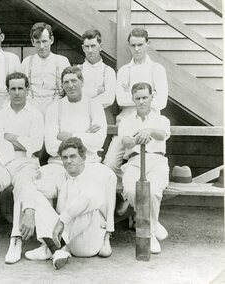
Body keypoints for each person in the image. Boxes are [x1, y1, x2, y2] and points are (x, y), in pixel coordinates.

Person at [30, 66, 116, 257]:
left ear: (82, 82)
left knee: (108, 176)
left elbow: (98, 141)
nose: (70, 85)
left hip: (89, 163)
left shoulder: (94, 106)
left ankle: (106, 235)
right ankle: (47, 242)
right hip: (58, 163)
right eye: (66, 82)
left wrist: (67, 135)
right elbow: (52, 146)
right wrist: (85, 135)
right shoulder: (55, 108)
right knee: (37, 181)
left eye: (74, 81)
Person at [0, 72, 44, 264]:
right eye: (13, 89)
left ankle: (16, 240)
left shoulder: (35, 114)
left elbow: (37, 145)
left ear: (27, 90)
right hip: (3, 161)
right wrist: (23, 141)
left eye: (20, 88)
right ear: (7, 91)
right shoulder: (0, 115)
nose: (16, 93)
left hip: (27, 162)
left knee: (23, 187)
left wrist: (12, 138)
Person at [21, 137, 113, 270]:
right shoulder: (62, 177)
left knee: (84, 205)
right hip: (65, 239)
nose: (68, 161)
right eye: (64, 157)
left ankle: (51, 248)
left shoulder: (94, 176)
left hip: (87, 244)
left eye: (73, 156)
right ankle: (57, 250)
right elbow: (39, 190)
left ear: (83, 157)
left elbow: (87, 198)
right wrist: (30, 205)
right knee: (36, 195)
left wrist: (61, 221)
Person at [104, 27, 168, 178]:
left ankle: (135, 183)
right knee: (109, 165)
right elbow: (120, 99)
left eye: (140, 44)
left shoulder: (157, 69)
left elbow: (161, 101)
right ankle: (129, 178)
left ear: (148, 44)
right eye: (133, 45)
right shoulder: (124, 71)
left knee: (148, 168)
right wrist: (148, 96)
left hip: (149, 126)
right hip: (126, 125)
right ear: (129, 46)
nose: (137, 49)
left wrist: (131, 94)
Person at [118, 82, 170, 254]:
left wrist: (149, 130)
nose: (141, 101)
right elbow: (125, 141)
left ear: (151, 97)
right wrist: (137, 139)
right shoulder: (126, 121)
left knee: (153, 191)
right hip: (134, 161)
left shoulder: (161, 119)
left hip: (157, 161)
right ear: (133, 99)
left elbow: (162, 135)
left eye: (145, 97)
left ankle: (150, 234)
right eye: (138, 98)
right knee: (132, 191)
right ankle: (153, 223)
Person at [21, 22, 70, 116]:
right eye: (38, 42)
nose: (41, 46)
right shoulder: (26, 62)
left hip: (56, 108)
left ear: (51, 40)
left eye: (44, 41)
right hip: (32, 109)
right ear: (32, 42)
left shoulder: (62, 61)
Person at [79, 29, 116, 125]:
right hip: (82, 117)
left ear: (100, 47)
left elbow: (109, 99)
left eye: (93, 46)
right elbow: (76, 96)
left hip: (104, 117)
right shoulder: (78, 70)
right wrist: (97, 91)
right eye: (87, 47)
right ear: (83, 48)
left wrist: (86, 96)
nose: (90, 50)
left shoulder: (109, 71)